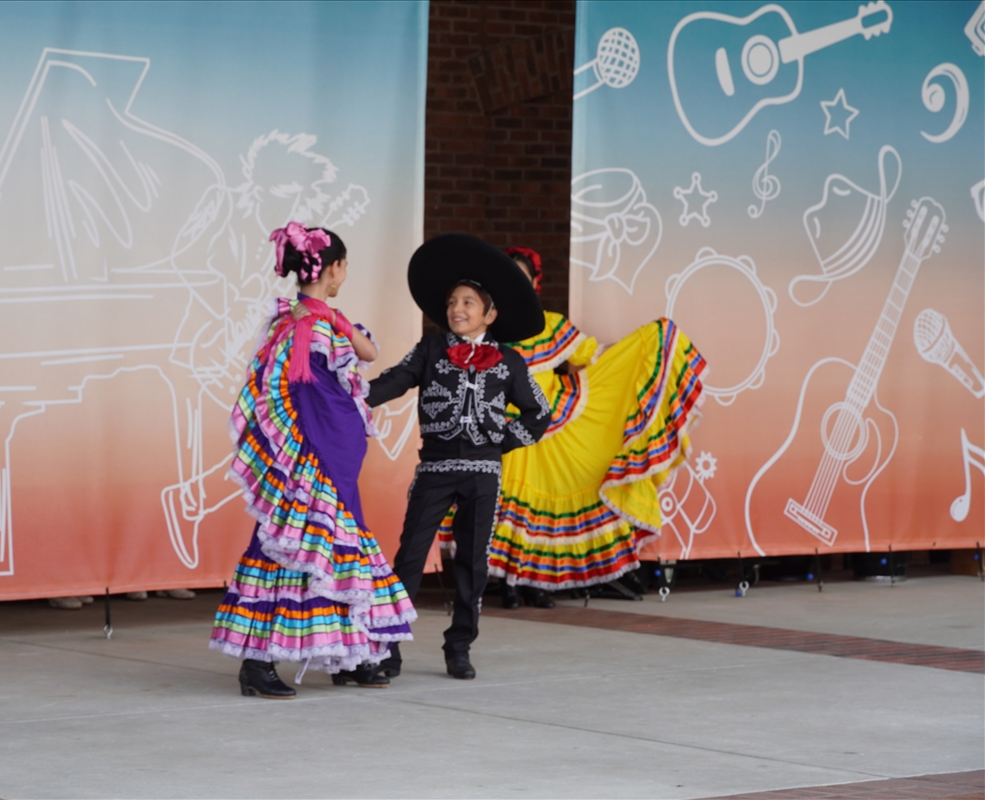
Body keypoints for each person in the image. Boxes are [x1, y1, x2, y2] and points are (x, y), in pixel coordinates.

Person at [210, 222, 415, 699]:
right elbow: (317, 393)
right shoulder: (305, 327)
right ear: (335, 268)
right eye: (344, 267)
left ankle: (347, 656)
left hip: (321, 454)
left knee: (324, 550)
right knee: (291, 547)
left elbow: (363, 354)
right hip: (313, 457)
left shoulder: (307, 321)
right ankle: (257, 663)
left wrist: (329, 314)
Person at [441, 246, 707, 606]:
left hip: (548, 426)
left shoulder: (551, 324)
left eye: (524, 278)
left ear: (534, 284)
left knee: (544, 513)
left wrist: (641, 346)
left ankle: (535, 585)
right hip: (504, 430)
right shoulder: (488, 328)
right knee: (504, 507)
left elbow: (593, 355)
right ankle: (508, 586)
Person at [367, 234, 549, 680]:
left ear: (490, 314)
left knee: (472, 562)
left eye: (468, 302)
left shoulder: (509, 360)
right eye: (452, 302)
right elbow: (395, 380)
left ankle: (460, 646)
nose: (457, 309)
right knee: (410, 557)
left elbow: (539, 412)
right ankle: (387, 647)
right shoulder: (431, 349)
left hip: (483, 474)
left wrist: (501, 440)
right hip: (435, 468)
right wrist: (351, 396)